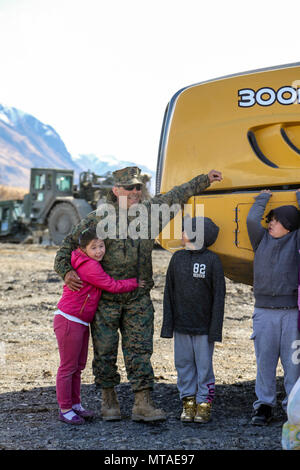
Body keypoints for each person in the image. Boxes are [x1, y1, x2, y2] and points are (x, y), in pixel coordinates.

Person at [54, 165, 223, 422]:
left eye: (138, 187)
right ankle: (108, 401)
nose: (135, 191)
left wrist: (205, 180)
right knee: (105, 350)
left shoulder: (151, 214)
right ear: (115, 190)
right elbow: (66, 248)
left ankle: (142, 403)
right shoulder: (98, 218)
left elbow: (177, 194)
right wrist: (66, 272)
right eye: (128, 188)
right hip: (106, 301)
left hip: (138, 298)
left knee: (140, 350)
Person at [54, 227, 141, 425]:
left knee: (78, 367)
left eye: (101, 246)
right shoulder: (90, 266)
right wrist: (135, 283)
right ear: (83, 249)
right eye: (94, 247)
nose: (99, 251)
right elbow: (112, 285)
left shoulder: (86, 261)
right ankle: (65, 409)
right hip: (69, 320)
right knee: (68, 367)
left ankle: (75, 404)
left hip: (80, 321)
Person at [160, 215, 225, 423]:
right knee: (183, 364)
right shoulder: (177, 258)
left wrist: (215, 329)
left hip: (204, 328)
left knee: (204, 366)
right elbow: (168, 293)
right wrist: (168, 326)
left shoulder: (212, 260)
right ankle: (188, 402)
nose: (181, 234)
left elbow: (219, 297)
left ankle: (204, 403)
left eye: (186, 230)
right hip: (181, 326)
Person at [246, 189, 300, 426]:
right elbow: (250, 220)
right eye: (271, 219)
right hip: (264, 312)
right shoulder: (261, 239)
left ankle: (293, 407)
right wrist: (263, 198)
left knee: (293, 365)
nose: (271, 224)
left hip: (291, 313)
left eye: (277, 221)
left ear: (289, 225)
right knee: (264, 363)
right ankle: (264, 407)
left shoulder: (297, 240)